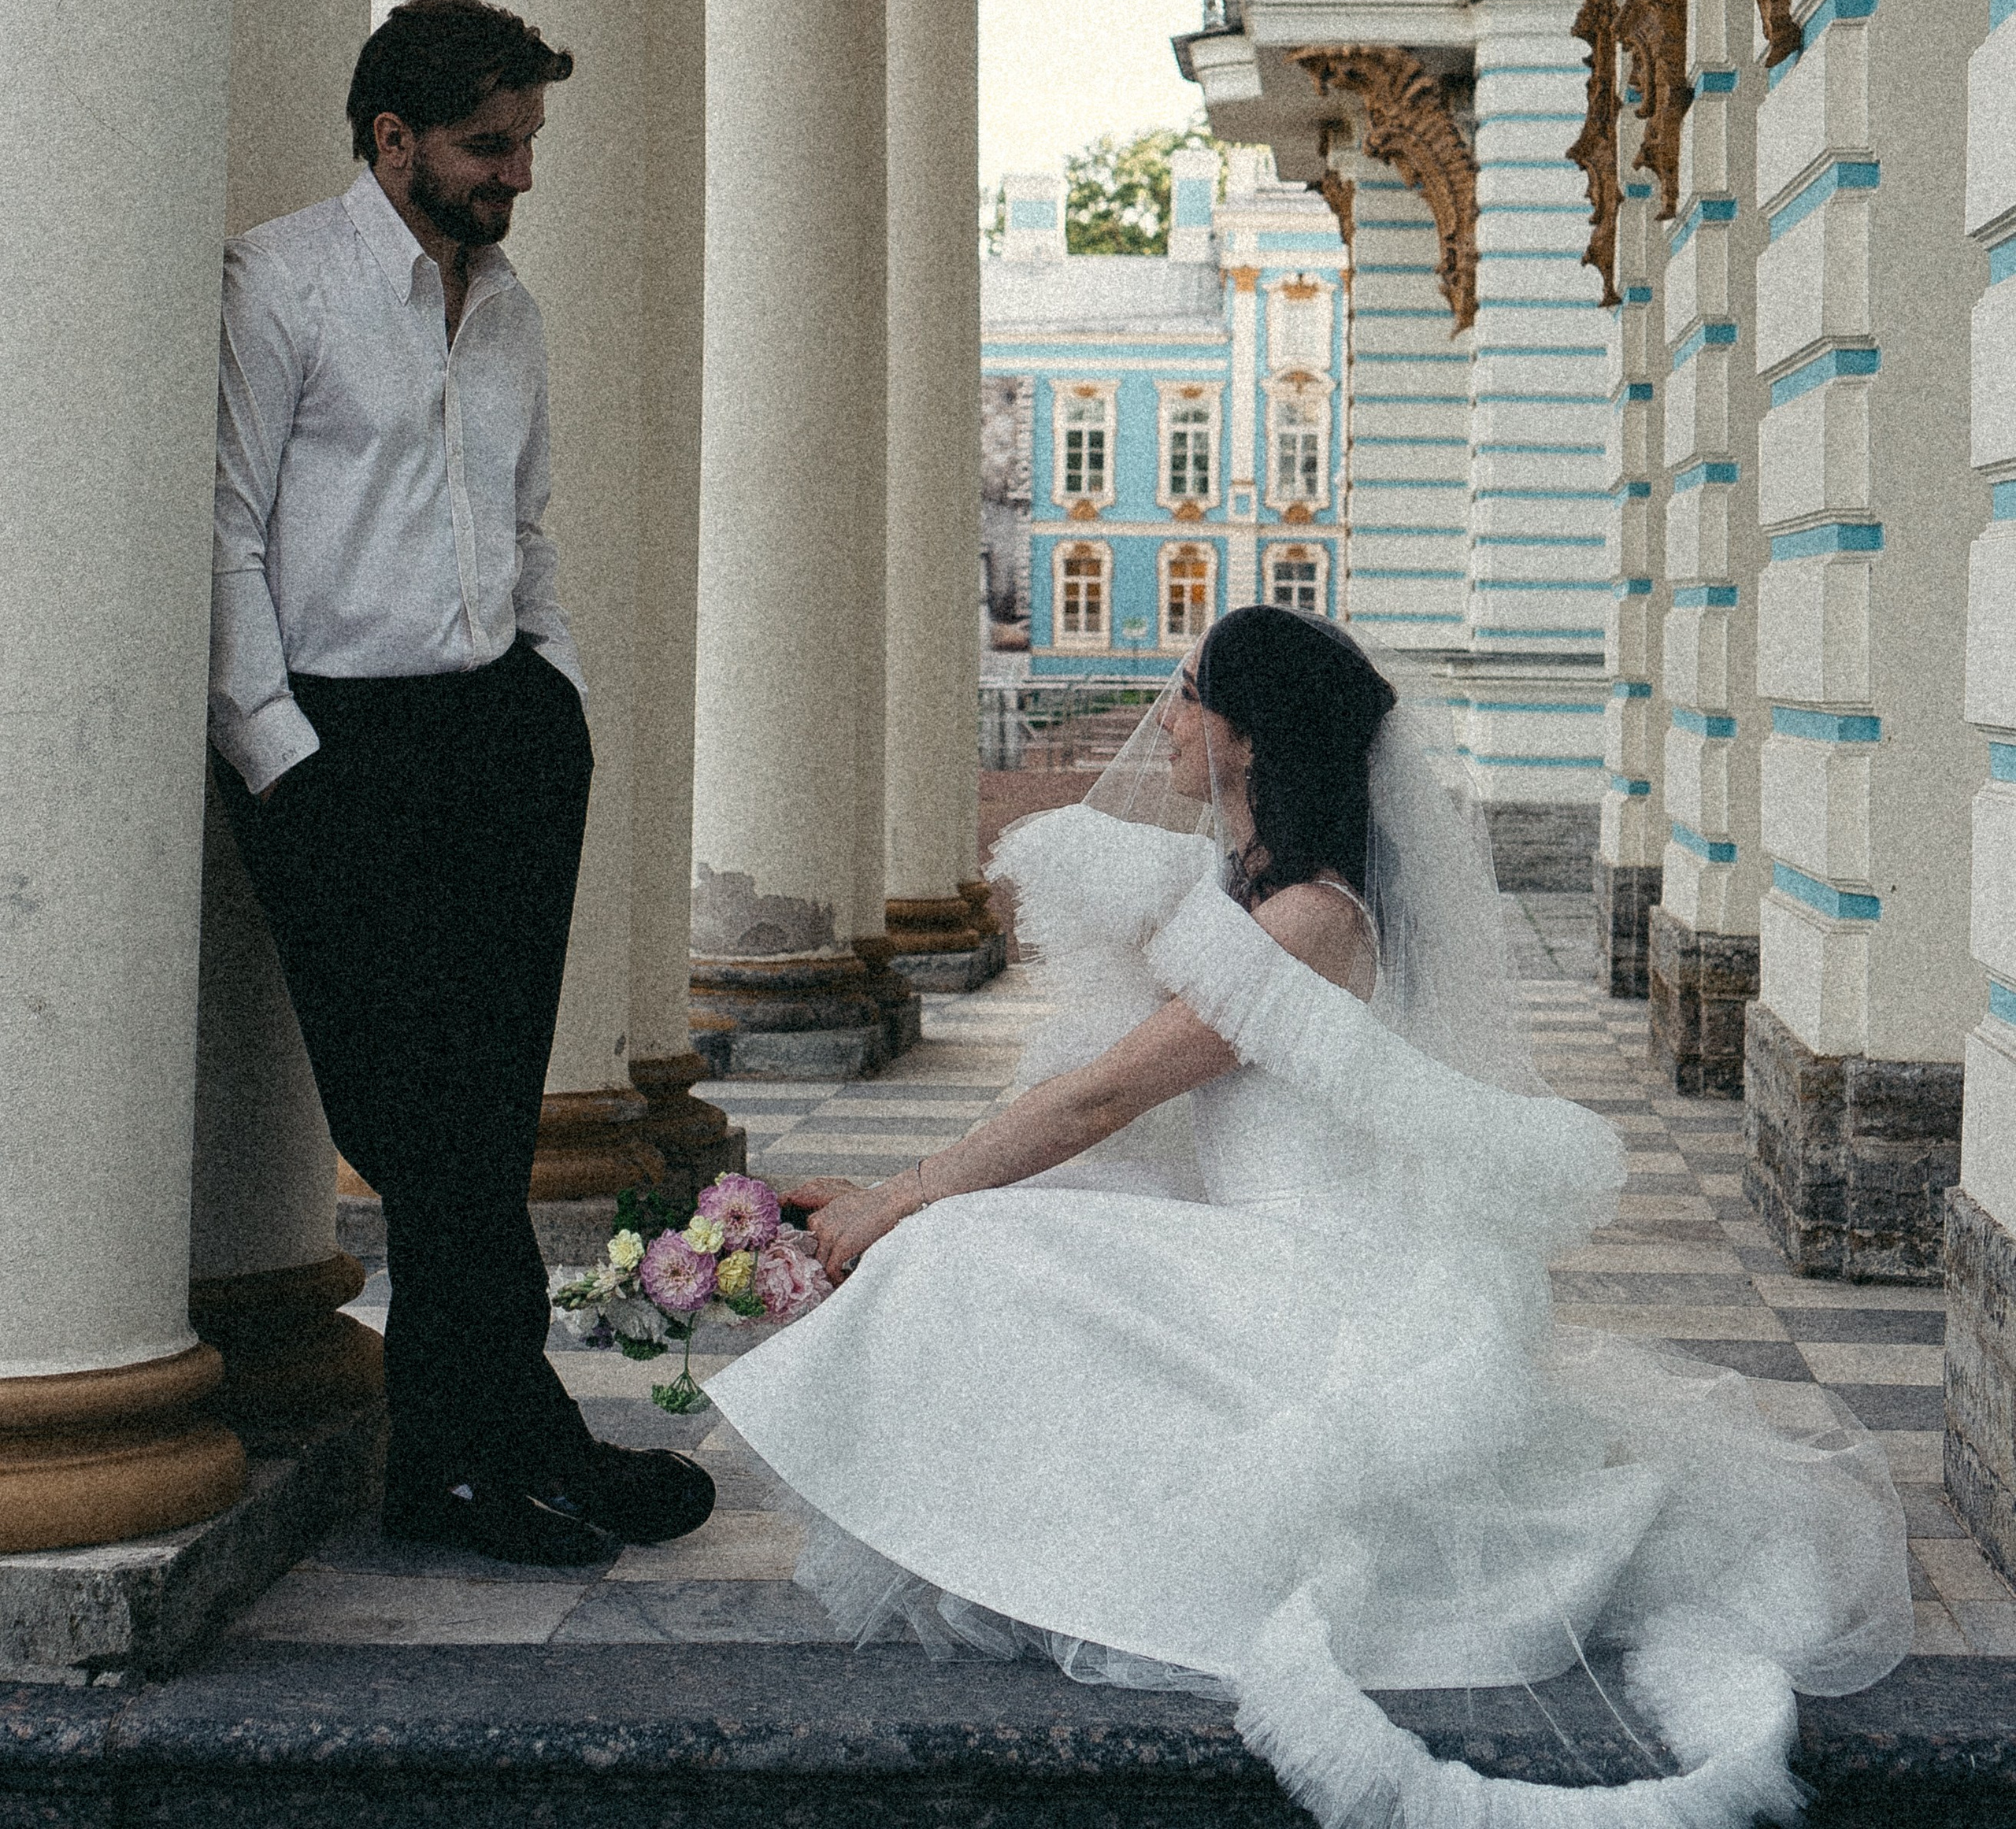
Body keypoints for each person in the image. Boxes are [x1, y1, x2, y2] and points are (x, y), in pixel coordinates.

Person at [706, 607, 1911, 1829]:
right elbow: (1095, 1081)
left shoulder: (1309, 918)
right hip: (1253, 1237)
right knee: (1006, 1239)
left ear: (1250, 735)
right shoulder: (1242, 886)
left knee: (967, 1242)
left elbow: (1109, 1090)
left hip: (1319, 1263)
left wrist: (902, 1191)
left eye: (1185, 694)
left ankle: (1079, 1564)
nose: (1161, 720)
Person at [208, 0, 713, 1567]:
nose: (519, 174)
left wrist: (548, 693)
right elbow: (221, 534)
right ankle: (469, 1456)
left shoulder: (510, 311)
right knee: (420, 1130)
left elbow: (526, 523)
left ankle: (498, 1444)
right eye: (492, 146)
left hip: (496, 739)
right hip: (339, 757)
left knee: (482, 1128)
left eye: (528, 142)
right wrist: (282, 757)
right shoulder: (277, 286)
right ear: (393, 139)